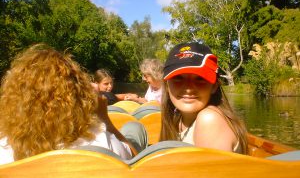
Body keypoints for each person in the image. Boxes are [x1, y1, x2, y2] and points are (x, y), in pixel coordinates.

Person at [0, 44, 137, 165]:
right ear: (76, 94)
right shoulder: (100, 139)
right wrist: (104, 119)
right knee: (134, 129)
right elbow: (134, 163)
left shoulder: (4, 148)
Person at [159, 42, 248, 154]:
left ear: (214, 86)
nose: (188, 88)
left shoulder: (209, 119)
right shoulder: (177, 120)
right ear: (167, 85)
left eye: (200, 78)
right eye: (178, 78)